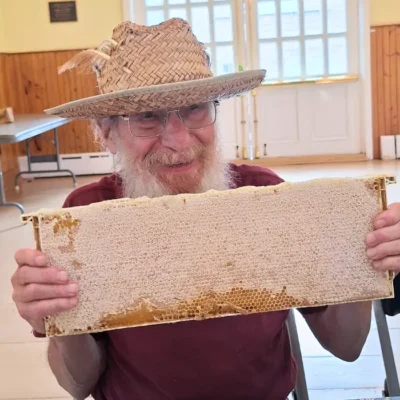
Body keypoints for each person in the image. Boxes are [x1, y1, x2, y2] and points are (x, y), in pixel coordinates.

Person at [10, 18, 400, 400]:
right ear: (107, 132)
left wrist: (362, 260)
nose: (178, 140)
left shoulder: (264, 196)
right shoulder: (83, 216)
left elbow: (346, 347)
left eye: (195, 108)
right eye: (147, 116)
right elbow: (77, 385)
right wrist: (59, 318)